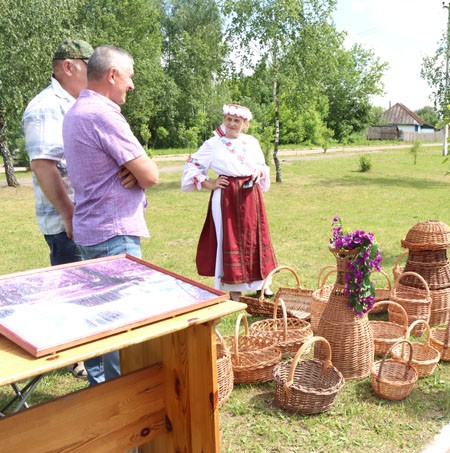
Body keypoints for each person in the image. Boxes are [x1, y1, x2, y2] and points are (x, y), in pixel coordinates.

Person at [62, 44, 159, 385]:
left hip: (92, 231)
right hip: (113, 235)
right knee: (124, 331)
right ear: (113, 75)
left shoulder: (76, 111)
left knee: (101, 322)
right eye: (129, 77)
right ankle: (126, 415)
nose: (131, 86)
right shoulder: (103, 114)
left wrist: (133, 169)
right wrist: (138, 171)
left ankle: (104, 398)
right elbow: (150, 174)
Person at [22, 38, 94, 381]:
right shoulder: (47, 106)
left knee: (92, 286)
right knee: (77, 287)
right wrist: (69, 214)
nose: (92, 72)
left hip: (85, 216)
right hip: (70, 219)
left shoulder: (75, 103)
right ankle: (81, 357)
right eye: (87, 65)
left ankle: (90, 351)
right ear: (68, 66)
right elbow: (43, 165)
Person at [181, 104, 277, 302]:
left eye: (237, 121)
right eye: (229, 119)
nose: (232, 124)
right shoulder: (213, 144)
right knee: (230, 238)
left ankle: (263, 284)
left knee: (256, 237)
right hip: (227, 196)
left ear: (245, 124)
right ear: (224, 120)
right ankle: (234, 291)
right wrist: (210, 183)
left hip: (251, 195)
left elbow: (261, 164)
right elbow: (192, 165)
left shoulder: (251, 142)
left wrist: (259, 172)